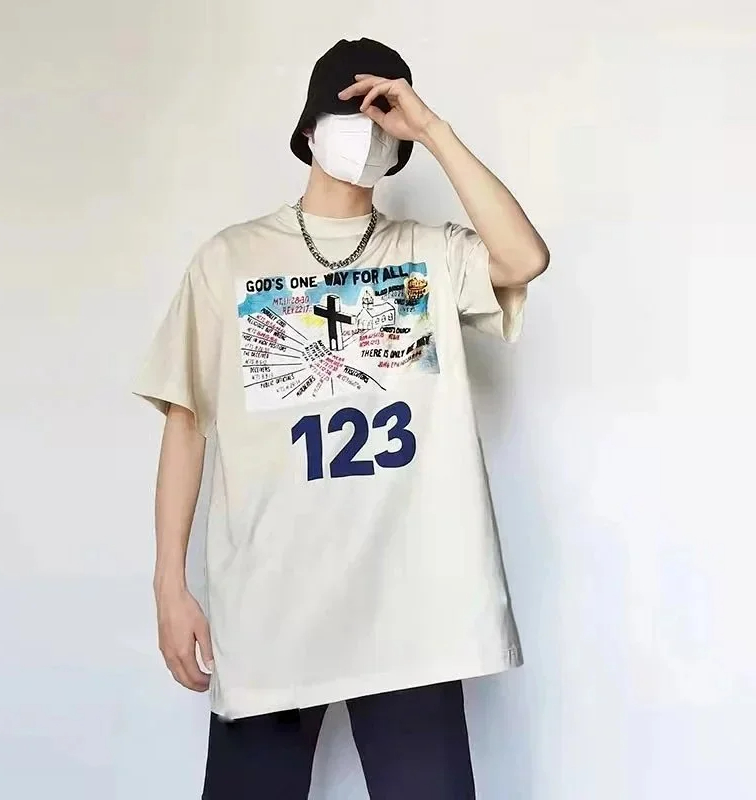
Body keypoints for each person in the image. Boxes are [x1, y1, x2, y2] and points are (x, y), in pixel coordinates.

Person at [133, 37, 549, 800]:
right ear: (309, 127)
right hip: (272, 598)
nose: (366, 132)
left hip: (410, 604)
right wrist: (169, 585)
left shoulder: (427, 254)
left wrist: (434, 130)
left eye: (382, 115)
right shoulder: (230, 259)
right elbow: (185, 421)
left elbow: (522, 259)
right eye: (349, 112)